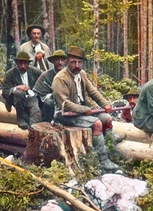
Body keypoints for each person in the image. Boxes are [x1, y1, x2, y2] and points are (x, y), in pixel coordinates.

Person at [52, 45, 120, 173]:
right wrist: (83, 109)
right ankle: (103, 161)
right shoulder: (60, 78)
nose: (77, 65)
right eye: (73, 62)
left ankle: (110, 151)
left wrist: (105, 104)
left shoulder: (82, 74)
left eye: (79, 62)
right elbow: (64, 104)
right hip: (65, 115)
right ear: (67, 62)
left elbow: (92, 91)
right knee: (97, 124)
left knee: (107, 119)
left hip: (81, 112)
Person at [2, 52, 42, 129]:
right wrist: (17, 88)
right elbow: (5, 92)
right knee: (19, 93)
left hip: (31, 97)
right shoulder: (10, 74)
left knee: (36, 112)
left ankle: (33, 130)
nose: (23, 66)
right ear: (17, 63)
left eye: (25, 63)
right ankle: (19, 118)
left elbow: (44, 81)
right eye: (20, 63)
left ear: (28, 64)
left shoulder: (35, 72)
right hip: (16, 100)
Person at [33, 50, 67, 122]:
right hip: (50, 106)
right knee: (48, 102)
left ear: (65, 61)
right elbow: (36, 93)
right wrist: (50, 95)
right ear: (53, 61)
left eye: (62, 60)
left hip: (67, 103)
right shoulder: (46, 75)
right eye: (57, 60)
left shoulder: (70, 75)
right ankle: (48, 124)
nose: (60, 62)